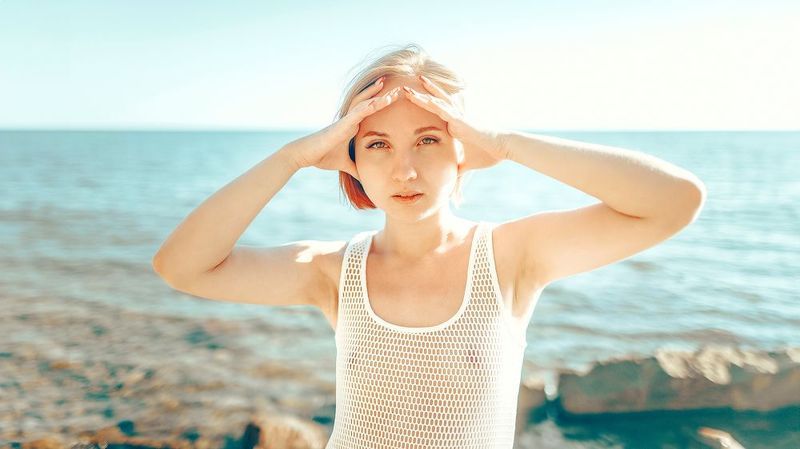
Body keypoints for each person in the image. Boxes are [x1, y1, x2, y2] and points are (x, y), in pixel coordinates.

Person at [152, 43, 706, 448]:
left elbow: (674, 200)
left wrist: (507, 144)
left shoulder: (512, 256)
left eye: (428, 139)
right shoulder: (331, 271)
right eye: (378, 144)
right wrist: (292, 158)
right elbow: (181, 267)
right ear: (351, 160)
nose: (405, 168)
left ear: (461, 147)